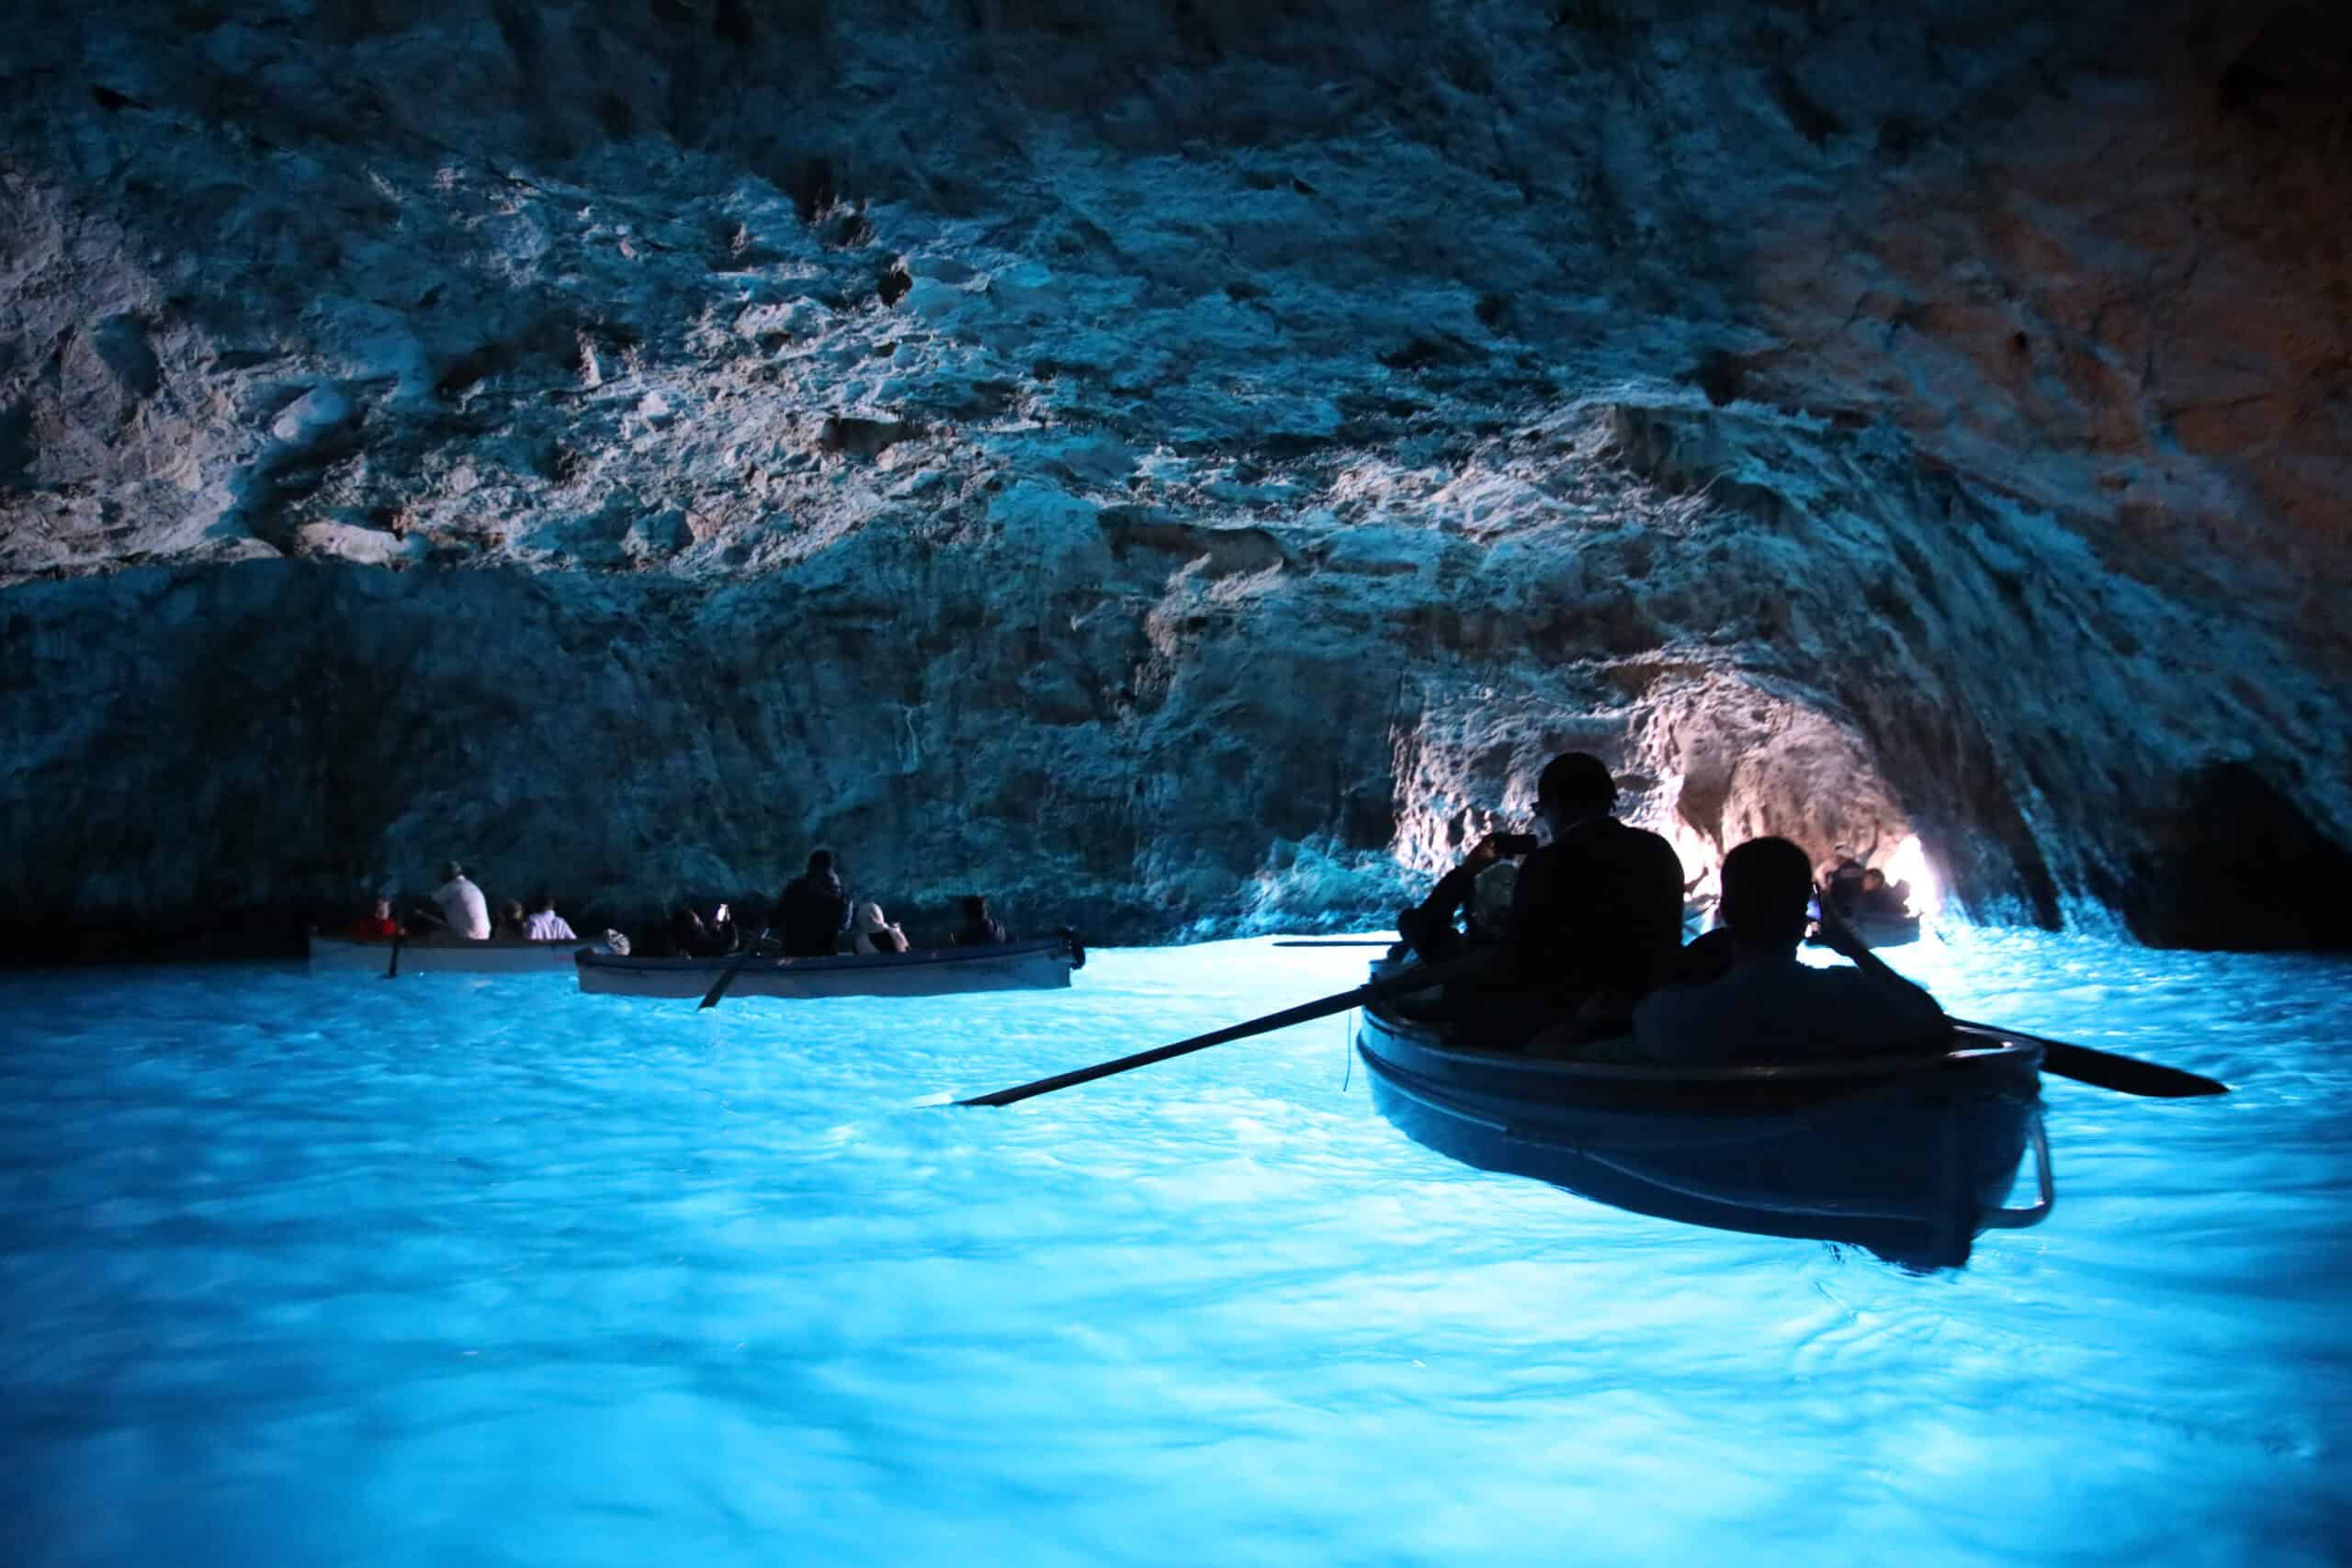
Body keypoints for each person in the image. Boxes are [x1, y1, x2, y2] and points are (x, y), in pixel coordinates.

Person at [1632, 836, 1950, 1064]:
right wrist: (1854, 948)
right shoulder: (1848, 997)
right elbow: (1934, 1025)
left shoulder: (1670, 1017)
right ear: (1804, 918)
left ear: (1724, 912)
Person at [777, 851, 852, 957]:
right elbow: (844, 926)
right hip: (825, 959)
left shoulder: (793, 888)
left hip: (792, 956)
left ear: (810, 865)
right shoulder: (842, 895)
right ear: (832, 868)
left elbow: (776, 918)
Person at [435, 861, 491, 940]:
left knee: (432, 934)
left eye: (441, 873)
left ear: (447, 874)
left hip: (466, 938)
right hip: (485, 936)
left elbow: (432, 902)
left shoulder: (451, 886)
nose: (439, 876)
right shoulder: (472, 886)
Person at [669, 900, 740, 958]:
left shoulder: (695, 943)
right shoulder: (698, 946)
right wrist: (727, 923)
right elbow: (730, 945)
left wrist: (714, 929)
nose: (699, 919)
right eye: (694, 918)